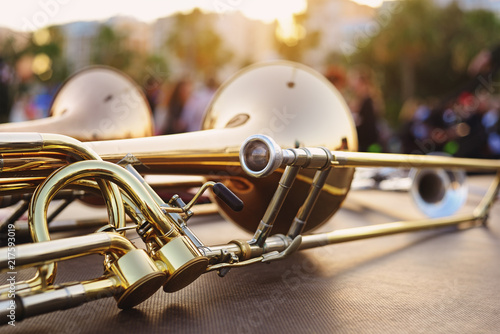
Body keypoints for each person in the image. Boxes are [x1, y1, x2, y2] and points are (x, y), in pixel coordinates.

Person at [347, 65, 386, 152]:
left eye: (357, 84)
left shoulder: (368, 102)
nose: (355, 87)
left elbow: (368, 127)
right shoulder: (365, 101)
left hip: (369, 146)